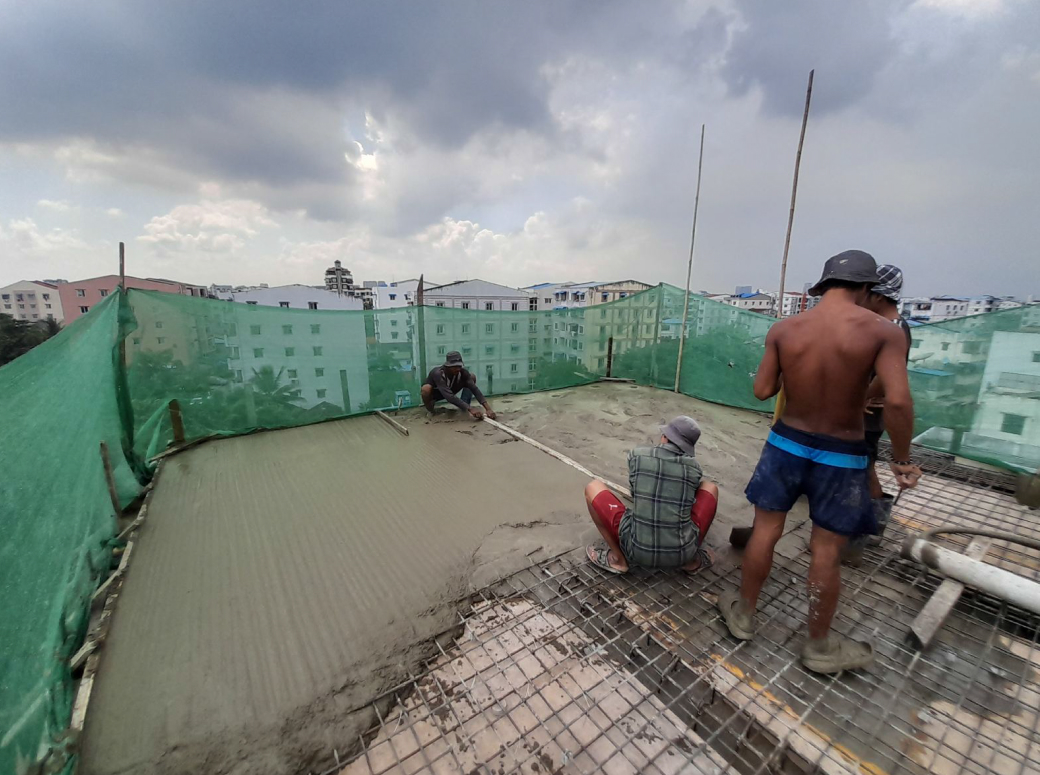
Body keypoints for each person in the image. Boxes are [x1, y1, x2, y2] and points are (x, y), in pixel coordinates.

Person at [717, 250, 922, 675]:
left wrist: (794, 370)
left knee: (765, 530)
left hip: (785, 444)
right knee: (826, 549)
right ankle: (818, 647)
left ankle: (744, 615)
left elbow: (762, 390)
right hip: (842, 454)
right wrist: (902, 460)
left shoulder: (785, 328)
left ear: (822, 286)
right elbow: (899, 401)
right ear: (866, 288)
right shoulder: (885, 332)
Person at [584, 416, 719, 574]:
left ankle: (619, 560)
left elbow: (635, 493)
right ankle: (692, 562)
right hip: (682, 555)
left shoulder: (637, 455)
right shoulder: (694, 468)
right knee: (710, 488)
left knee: (593, 487)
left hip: (636, 550)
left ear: (665, 436)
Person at [845, 264, 913, 563]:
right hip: (869, 412)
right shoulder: (889, 325)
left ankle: (859, 535)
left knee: (860, 470)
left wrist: (863, 396)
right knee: (865, 466)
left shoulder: (893, 328)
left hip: (869, 413)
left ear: (878, 296)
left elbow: (888, 378)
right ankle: (874, 527)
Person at [421, 351, 497, 420]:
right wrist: (470, 408)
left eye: (459, 366)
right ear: (448, 366)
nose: (457, 369)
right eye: (454, 366)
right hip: (437, 394)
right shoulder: (438, 374)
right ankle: (431, 411)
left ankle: (464, 407)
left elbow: (475, 390)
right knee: (426, 389)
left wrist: (488, 409)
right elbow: (449, 397)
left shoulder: (462, 372)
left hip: (451, 390)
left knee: (471, 377)